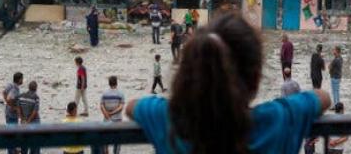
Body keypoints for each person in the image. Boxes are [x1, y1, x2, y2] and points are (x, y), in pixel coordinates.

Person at [126, 14, 331, 154]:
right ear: (257, 77)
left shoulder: (168, 120)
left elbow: (132, 107)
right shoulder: (277, 119)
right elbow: (323, 98)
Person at [101, 76, 125, 154]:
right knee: (117, 140)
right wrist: (112, 113)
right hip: (117, 119)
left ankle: (106, 151)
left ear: (109, 83)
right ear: (116, 83)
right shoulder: (120, 94)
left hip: (106, 119)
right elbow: (121, 107)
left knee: (105, 138)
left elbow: (101, 105)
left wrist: (106, 114)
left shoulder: (104, 93)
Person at [3, 72, 23, 154]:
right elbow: (9, 98)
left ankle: (14, 150)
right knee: (12, 134)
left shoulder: (10, 85)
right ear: (19, 80)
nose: (23, 80)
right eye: (22, 78)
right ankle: (11, 151)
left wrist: (7, 104)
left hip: (7, 113)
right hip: (12, 115)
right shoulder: (15, 89)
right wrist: (13, 107)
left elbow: (4, 93)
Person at [18, 81, 41, 154]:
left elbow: (18, 108)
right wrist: (28, 121)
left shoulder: (21, 96)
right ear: (36, 88)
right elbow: (35, 112)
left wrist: (22, 119)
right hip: (34, 122)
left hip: (24, 122)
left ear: (28, 87)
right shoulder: (36, 97)